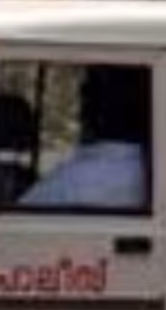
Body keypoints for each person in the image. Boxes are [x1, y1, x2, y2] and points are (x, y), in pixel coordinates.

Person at [19, 67, 150, 211]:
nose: (79, 114)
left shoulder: (67, 183)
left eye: (83, 104)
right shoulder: (154, 174)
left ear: (93, 115)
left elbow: (15, 220)